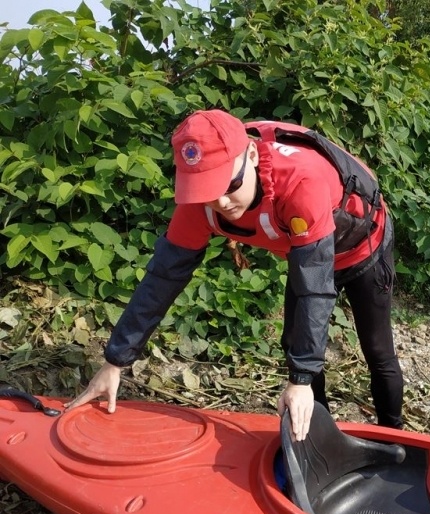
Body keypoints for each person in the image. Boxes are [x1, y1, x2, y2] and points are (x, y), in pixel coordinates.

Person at [65, 109, 404, 441]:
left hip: (363, 247)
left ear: (252, 155)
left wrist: (300, 380)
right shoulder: (201, 206)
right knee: (293, 344)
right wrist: (115, 362)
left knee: (376, 349)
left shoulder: (300, 181)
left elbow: (316, 289)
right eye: (208, 193)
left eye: (229, 186)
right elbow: (162, 278)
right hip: (306, 250)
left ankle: (394, 438)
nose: (222, 203)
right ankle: (318, 435)